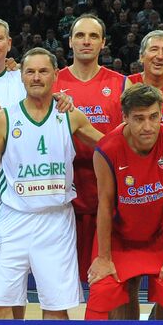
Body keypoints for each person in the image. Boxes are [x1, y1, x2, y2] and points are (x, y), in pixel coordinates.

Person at [0, 49, 103, 320]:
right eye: (30, 72)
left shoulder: (70, 115)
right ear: (21, 77)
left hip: (55, 221)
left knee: (56, 306)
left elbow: (108, 145)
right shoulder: (5, 117)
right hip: (13, 218)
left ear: (56, 75)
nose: (36, 77)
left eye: (43, 71)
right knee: (0, 303)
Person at [87, 84, 163, 320]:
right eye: (138, 119)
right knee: (103, 290)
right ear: (124, 117)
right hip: (120, 236)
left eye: (154, 117)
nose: (148, 126)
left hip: (161, 235)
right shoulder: (106, 149)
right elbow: (105, 205)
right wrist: (104, 258)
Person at [55, 15, 126, 283]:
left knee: (110, 279)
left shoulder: (121, 84)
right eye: (80, 35)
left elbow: (126, 142)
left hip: (107, 192)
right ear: (70, 41)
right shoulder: (52, 82)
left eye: (93, 36)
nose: (86, 41)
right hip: (62, 195)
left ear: (103, 43)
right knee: (63, 279)